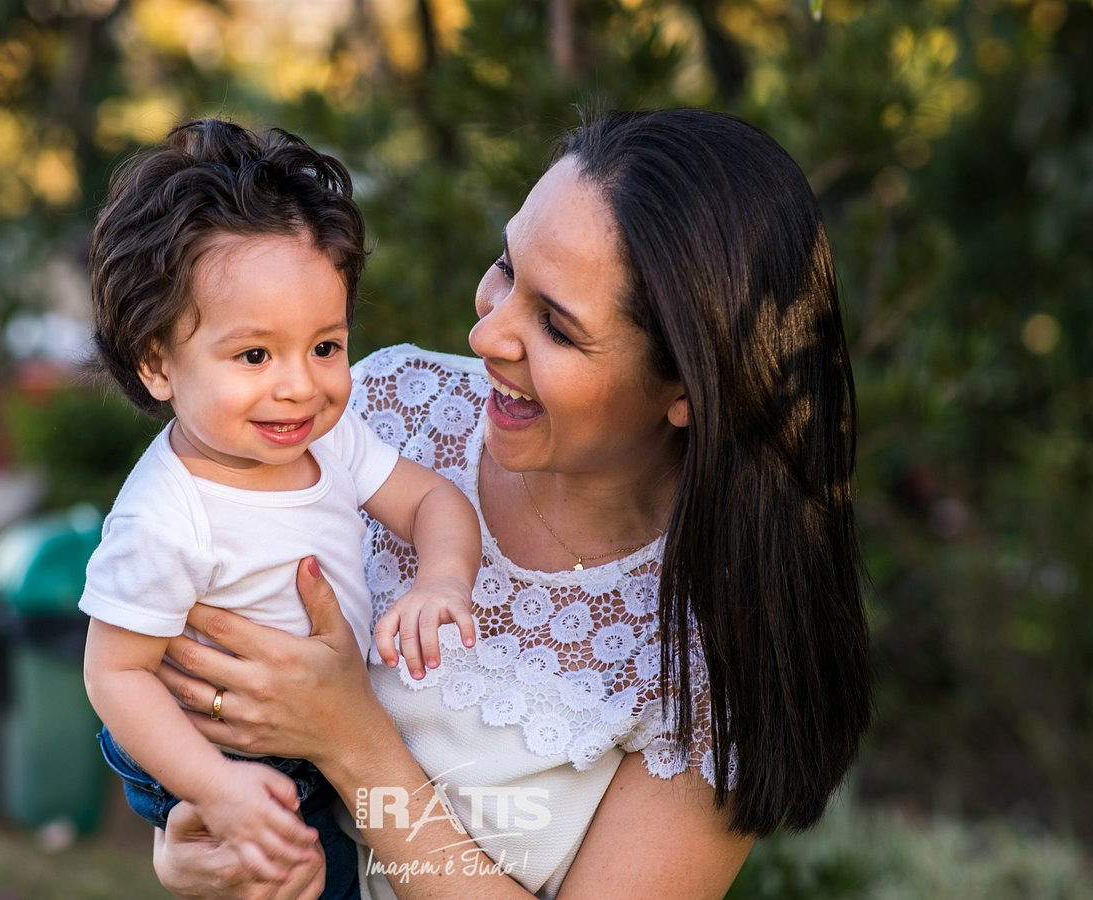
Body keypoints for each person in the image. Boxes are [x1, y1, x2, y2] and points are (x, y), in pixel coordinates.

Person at [149, 108, 873, 899]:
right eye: (506, 266)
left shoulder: (719, 657)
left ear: (687, 389)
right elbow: (201, 666)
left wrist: (352, 743)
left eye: (557, 327)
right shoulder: (386, 413)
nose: (488, 333)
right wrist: (190, 848)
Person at [78, 119, 483, 899]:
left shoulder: (334, 439)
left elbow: (434, 499)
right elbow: (115, 675)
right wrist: (216, 789)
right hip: (222, 750)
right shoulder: (166, 516)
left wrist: (442, 580)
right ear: (157, 362)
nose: (299, 385)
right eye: (255, 355)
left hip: (313, 727)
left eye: (325, 347)